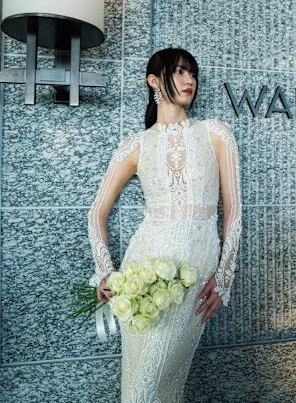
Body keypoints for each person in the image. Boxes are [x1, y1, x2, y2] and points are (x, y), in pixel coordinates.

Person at [86, 47, 242, 402]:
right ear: (154, 81)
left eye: (193, 73)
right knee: (139, 390)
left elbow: (234, 211)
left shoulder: (216, 133)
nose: (190, 81)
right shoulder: (135, 146)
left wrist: (225, 276)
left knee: (168, 384)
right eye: (180, 72)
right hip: (141, 272)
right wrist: (105, 271)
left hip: (196, 272)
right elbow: (96, 213)